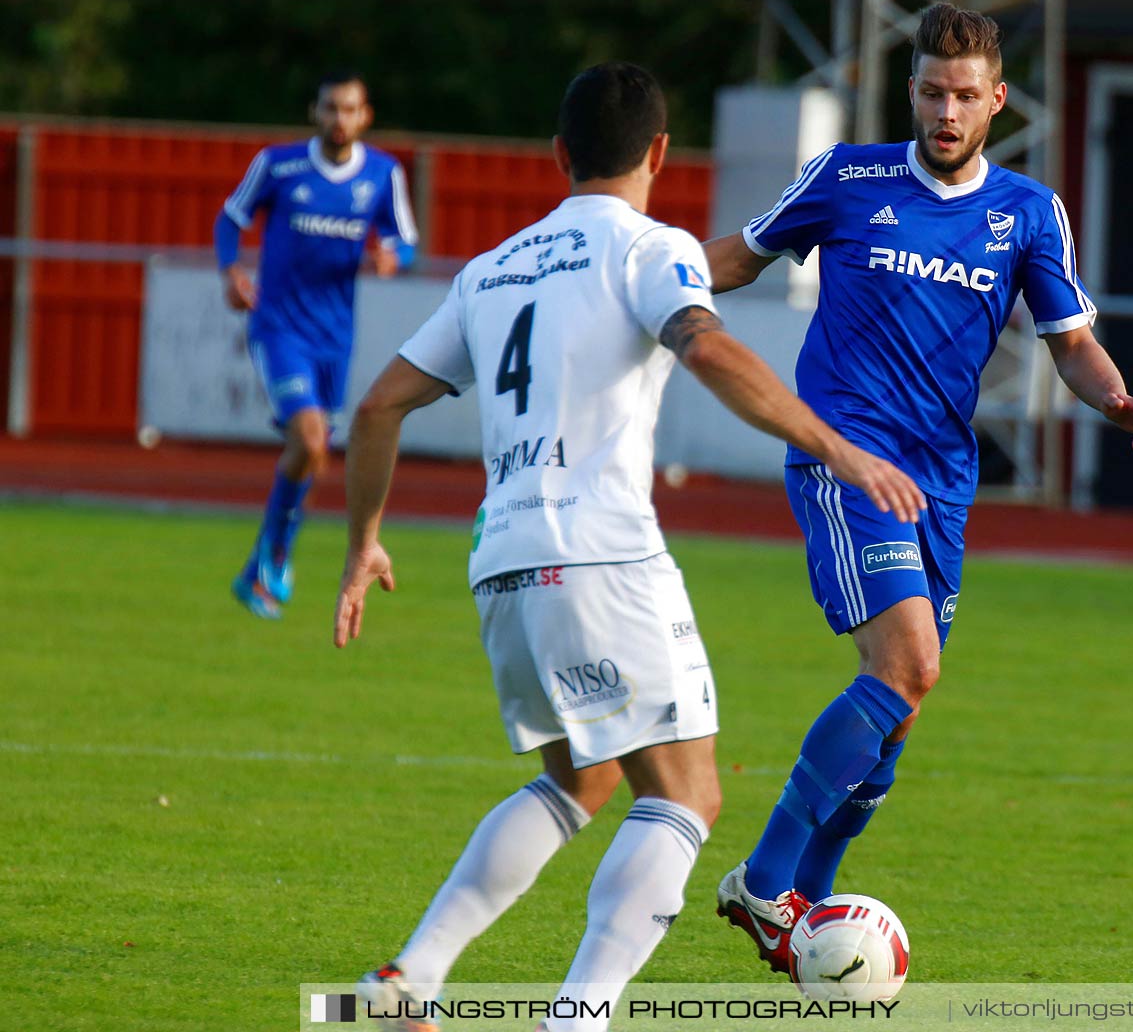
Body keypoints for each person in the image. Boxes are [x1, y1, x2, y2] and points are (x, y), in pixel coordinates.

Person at [333, 63, 923, 1032]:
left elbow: (378, 407)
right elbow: (709, 347)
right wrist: (840, 450)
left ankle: (409, 982)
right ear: (659, 154)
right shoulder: (654, 249)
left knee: (584, 777)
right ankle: (579, 1017)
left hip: (503, 566)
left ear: (559, 155)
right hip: (601, 555)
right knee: (689, 793)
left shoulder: (493, 268)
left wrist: (364, 543)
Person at [704, 2, 1133, 973]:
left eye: (965, 95)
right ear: (908, 91)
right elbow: (737, 259)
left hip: (942, 489)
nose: (946, 111)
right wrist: (649, 289)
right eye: (930, 91)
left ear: (998, 100)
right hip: (846, 460)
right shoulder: (849, 179)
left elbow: (1070, 343)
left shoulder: (1030, 215)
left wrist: (1117, 398)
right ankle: (763, 879)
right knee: (907, 663)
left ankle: (811, 908)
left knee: (902, 710)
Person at [216, 71, 418, 619]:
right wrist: (231, 271)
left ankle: (260, 564)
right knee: (308, 440)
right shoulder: (279, 165)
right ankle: (274, 558)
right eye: (330, 108)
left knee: (315, 453)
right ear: (316, 112)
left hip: (336, 338)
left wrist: (391, 259)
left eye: (349, 109)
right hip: (279, 326)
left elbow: (407, 241)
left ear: (365, 116)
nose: (339, 119)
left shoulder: (382, 173)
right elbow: (231, 217)